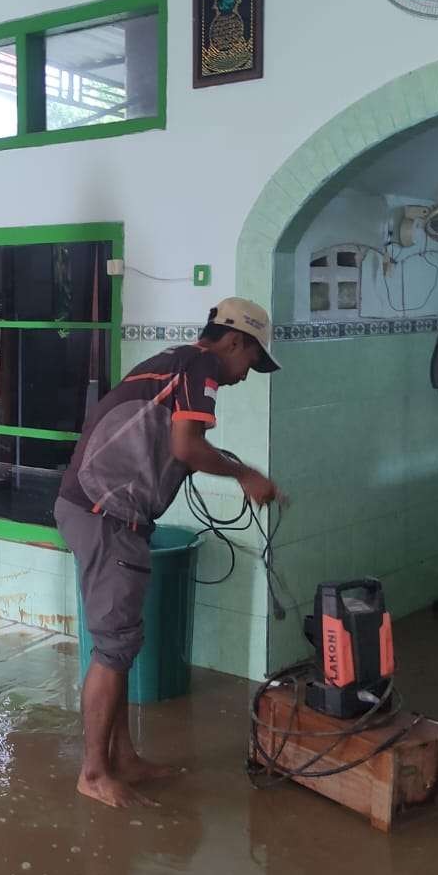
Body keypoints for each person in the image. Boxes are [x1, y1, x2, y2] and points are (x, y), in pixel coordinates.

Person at [55, 297, 283, 808]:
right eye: (251, 359)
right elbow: (186, 447)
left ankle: (123, 758)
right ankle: (93, 773)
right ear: (233, 341)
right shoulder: (199, 363)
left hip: (105, 511)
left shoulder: (179, 363)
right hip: (103, 514)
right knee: (114, 647)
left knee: (122, 642)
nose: (248, 373)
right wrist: (245, 474)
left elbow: (178, 445)